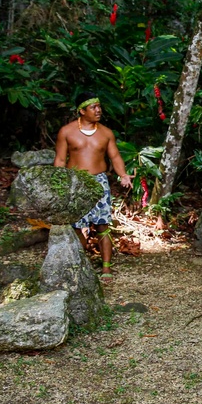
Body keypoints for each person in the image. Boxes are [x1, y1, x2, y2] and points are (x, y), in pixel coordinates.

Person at [53, 92, 133, 280]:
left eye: (99, 106)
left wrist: (123, 175)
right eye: (93, 107)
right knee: (77, 225)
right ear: (81, 111)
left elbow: (115, 157)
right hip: (75, 181)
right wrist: (58, 183)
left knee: (102, 225)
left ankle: (106, 268)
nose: (98, 110)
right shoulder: (66, 132)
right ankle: (79, 266)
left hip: (99, 181)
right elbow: (59, 159)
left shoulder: (105, 133)